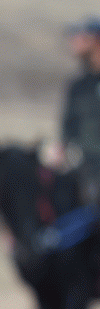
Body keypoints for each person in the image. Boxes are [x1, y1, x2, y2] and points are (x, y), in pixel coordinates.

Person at [61, 17, 100, 199]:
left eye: (81, 37)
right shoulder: (78, 86)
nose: (73, 42)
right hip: (84, 172)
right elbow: (68, 126)